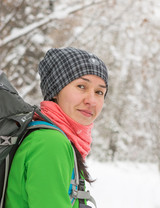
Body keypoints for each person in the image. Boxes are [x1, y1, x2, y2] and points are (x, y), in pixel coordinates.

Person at [5, 47, 108, 208]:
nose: (92, 100)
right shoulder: (51, 142)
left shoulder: (53, 137)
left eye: (99, 92)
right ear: (55, 91)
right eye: (81, 86)